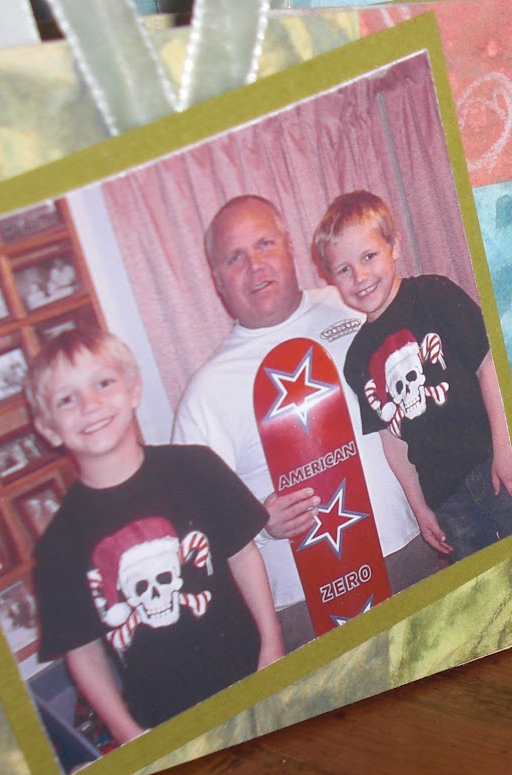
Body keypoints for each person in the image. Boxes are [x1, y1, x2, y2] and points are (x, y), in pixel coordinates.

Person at [172, 194, 437, 651]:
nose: (255, 266)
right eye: (235, 257)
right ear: (217, 279)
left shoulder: (358, 306)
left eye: (265, 244)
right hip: (305, 607)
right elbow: (192, 529)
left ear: (289, 247)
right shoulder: (206, 394)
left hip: (410, 550)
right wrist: (257, 524)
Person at [25, 327, 283, 749]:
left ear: (133, 389)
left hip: (254, 680)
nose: (90, 405)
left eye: (103, 383)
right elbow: (83, 652)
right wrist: (129, 735)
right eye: (66, 399)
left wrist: (272, 647)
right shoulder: (57, 548)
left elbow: (244, 556)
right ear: (49, 428)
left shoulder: (195, 468)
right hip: (168, 727)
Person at [313, 190, 512, 564]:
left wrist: (505, 449)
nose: (360, 276)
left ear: (394, 246)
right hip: (446, 499)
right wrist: (420, 507)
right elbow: (391, 439)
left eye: (368, 256)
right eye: (344, 269)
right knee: (486, 585)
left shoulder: (435, 294)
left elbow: (488, 368)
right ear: (330, 277)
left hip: (492, 461)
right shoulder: (357, 359)